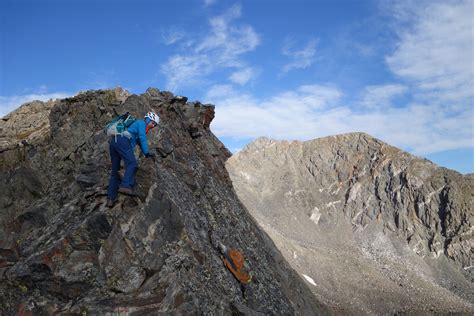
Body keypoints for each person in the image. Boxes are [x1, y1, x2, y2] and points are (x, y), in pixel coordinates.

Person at [106, 111, 159, 207]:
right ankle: (125, 186)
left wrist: (146, 154)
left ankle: (110, 198)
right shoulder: (141, 123)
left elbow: (139, 141)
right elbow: (142, 138)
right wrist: (147, 153)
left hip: (114, 142)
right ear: (147, 119)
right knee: (132, 163)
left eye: (155, 125)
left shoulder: (137, 126)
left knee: (115, 171)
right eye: (153, 122)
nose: (153, 126)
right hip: (122, 140)